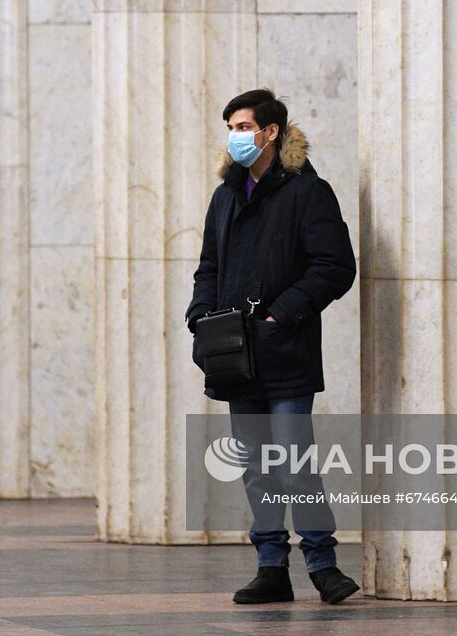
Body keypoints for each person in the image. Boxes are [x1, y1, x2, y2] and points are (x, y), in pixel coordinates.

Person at [185, 88, 360, 605]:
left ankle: (324, 564)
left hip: (285, 351)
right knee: (257, 466)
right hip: (234, 357)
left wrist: (282, 313)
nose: (235, 137)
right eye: (231, 128)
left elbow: (334, 267)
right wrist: (199, 318)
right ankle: (270, 567)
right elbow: (208, 269)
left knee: (294, 460)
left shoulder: (309, 192)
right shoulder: (226, 196)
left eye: (243, 127)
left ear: (271, 132)